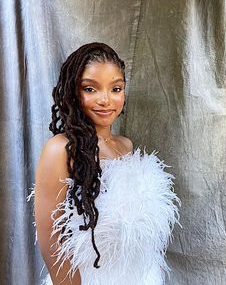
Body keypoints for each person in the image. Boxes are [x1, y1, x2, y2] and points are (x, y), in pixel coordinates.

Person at [27, 42, 180, 285]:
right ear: (73, 92)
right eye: (90, 88)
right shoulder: (61, 149)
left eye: (116, 88)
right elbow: (50, 240)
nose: (105, 100)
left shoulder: (125, 146)